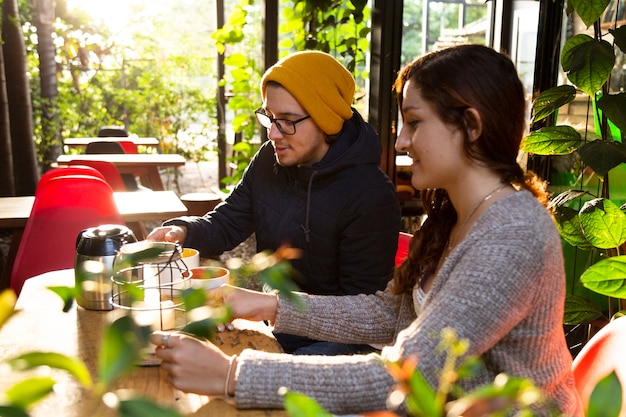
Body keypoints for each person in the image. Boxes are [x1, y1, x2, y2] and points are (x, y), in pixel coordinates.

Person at [149, 45, 583, 416]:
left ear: (470, 125)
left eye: (414, 122)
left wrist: (232, 375)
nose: (400, 143)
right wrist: (266, 305)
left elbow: (413, 373)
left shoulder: (511, 234)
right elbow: (393, 316)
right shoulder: (452, 214)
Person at [147, 50, 402, 355]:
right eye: (269, 116)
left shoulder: (370, 196)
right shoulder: (270, 159)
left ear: (326, 119)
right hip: (274, 322)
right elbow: (227, 223)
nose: (273, 133)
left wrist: (271, 323)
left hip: (337, 346)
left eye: (288, 121)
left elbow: (360, 322)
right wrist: (183, 232)